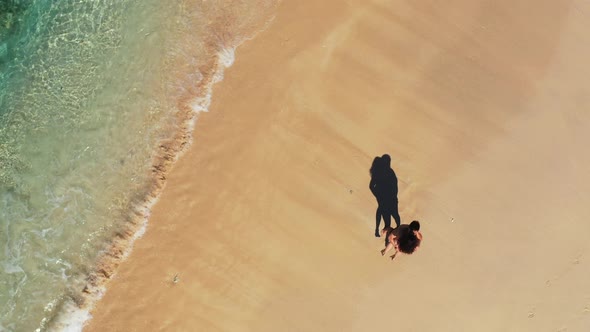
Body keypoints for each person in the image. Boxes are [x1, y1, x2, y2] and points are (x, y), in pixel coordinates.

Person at [369, 154, 401, 237]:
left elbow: (395, 185)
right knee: (392, 215)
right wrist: (377, 195)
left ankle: (393, 231)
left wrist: (377, 195)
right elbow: (371, 186)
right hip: (387, 197)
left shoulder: (379, 172)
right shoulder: (387, 172)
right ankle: (391, 233)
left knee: (390, 214)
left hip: (385, 197)